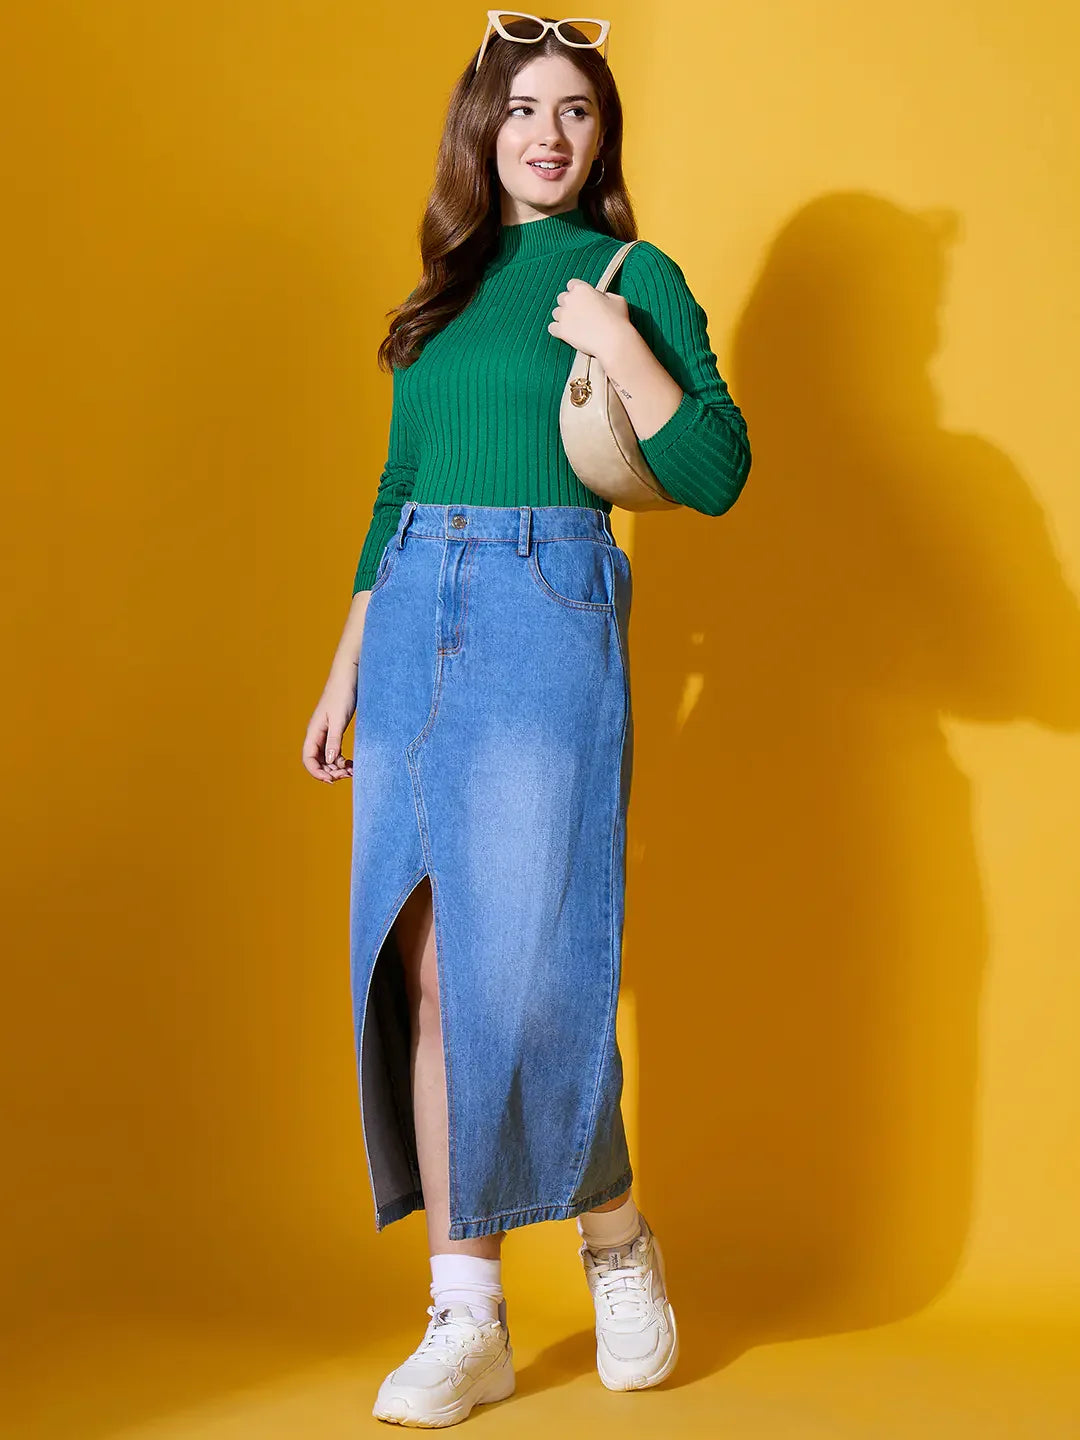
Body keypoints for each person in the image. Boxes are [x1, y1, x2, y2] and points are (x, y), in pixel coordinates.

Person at [302, 11, 751, 1428]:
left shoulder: (629, 275)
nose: (547, 134)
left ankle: (614, 1241)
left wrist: (622, 346)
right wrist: (345, 662)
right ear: (481, 131)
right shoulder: (443, 288)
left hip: (547, 607)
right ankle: (469, 1316)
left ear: (603, 136)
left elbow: (717, 467)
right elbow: (397, 487)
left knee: (539, 972)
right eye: (521, 110)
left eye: (575, 111)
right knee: (429, 968)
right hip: (413, 607)